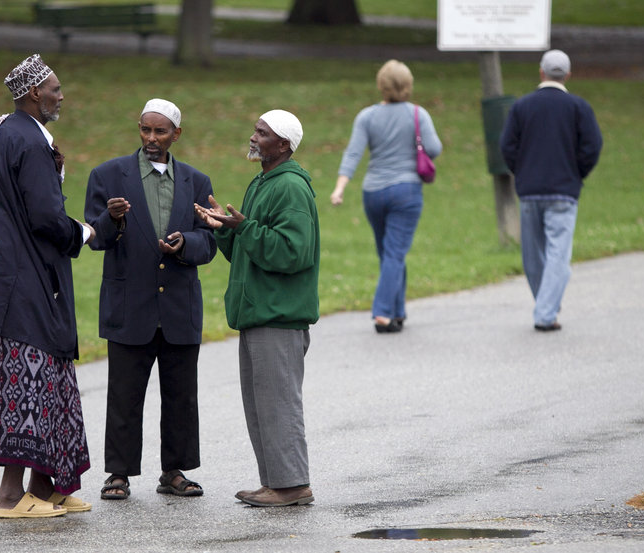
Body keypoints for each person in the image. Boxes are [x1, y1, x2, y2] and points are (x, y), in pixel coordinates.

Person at [0, 54, 95, 518]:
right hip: (16, 285)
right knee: (25, 388)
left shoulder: (10, 133)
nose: (61, 96)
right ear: (34, 93)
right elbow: (45, 217)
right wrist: (81, 231)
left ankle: (48, 488)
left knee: (53, 382)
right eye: (55, 89)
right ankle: (9, 498)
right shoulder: (25, 140)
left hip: (24, 279)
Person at [85, 98, 216, 500]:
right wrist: (114, 218)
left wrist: (185, 244)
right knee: (124, 393)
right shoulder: (108, 175)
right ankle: (119, 474)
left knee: (181, 394)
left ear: (176, 134)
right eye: (146, 130)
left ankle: (174, 472)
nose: (152, 139)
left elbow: (210, 240)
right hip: (130, 305)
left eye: (161, 132)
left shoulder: (197, 180)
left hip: (178, 306)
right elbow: (94, 237)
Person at [194, 109, 319, 507]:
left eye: (262, 133)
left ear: (283, 145)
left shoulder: (291, 188)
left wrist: (244, 227)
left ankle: (293, 485)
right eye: (255, 130)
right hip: (257, 312)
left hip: (278, 316)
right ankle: (275, 482)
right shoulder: (262, 182)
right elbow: (252, 248)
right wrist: (226, 229)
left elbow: (293, 252)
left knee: (278, 402)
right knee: (260, 404)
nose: (254, 137)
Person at [330, 59, 442, 334]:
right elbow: (435, 148)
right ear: (408, 85)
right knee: (395, 252)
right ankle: (382, 312)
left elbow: (353, 153)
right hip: (406, 191)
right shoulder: (418, 114)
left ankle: (397, 311)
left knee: (389, 252)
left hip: (373, 192)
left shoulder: (366, 116)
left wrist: (340, 186)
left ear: (381, 85)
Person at [500, 50, 603, 331]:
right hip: (564, 191)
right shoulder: (579, 108)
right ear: (568, 75)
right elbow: (592, 146)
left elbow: (507, 147)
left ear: (541, 72)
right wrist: (577, 172)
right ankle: (547, 309)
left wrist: (521, 170)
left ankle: (545, 309)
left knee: (533, 256)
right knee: (558, 253)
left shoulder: (522, 107)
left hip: (530, 190)